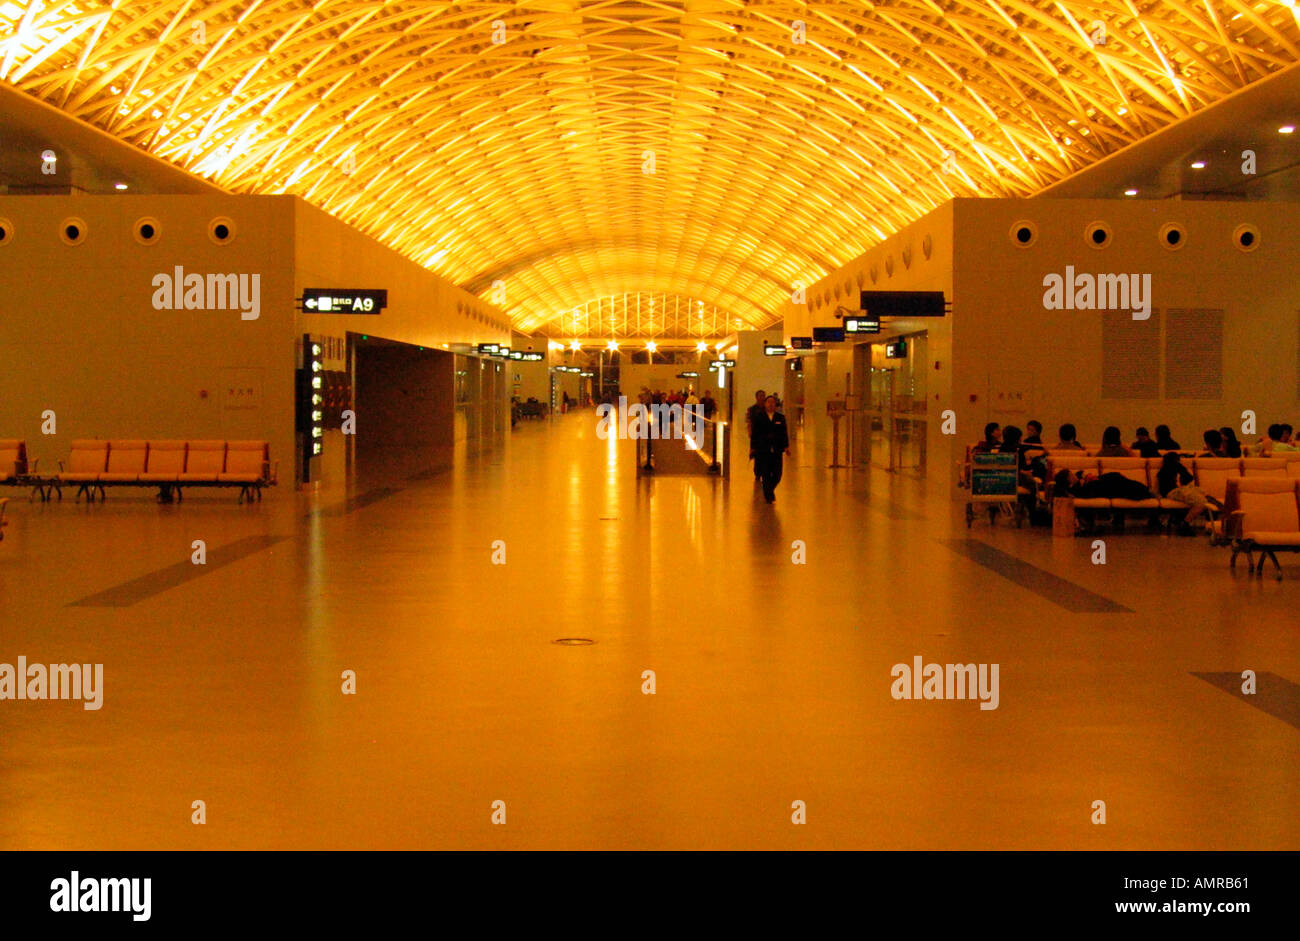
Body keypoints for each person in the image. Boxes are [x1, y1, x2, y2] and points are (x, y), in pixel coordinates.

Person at [1156, 452, 1221, 535]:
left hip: (1175, 491)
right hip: (1176, 491)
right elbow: (1189, 477)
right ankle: (1185, 523)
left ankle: (1210, 515)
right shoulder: (1177, 466)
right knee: (1201, 501)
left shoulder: (1162, 471)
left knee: (1201, 494)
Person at [751, 395, 790, 504]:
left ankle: (769, 490)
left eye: (773, 402)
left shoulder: (780, 417)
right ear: (765, 404)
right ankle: (769, 495)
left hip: (777, 449)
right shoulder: (759, 417)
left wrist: (786, 446)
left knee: (777, 474)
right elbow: (755, 434)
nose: (771, 404)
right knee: (766, 473)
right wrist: (752, 448)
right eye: (769, 402)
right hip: (763, 449)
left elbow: (784, 433)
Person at [746, 390, 767, 480]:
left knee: (766, 454)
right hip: (756, 435)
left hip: (766, 434)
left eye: (763, 396)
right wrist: (750, 431)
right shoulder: (752, 409)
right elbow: (749, 421)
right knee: (757, 454)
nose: (762, 398)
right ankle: (758, 473)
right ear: (756, 397)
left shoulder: (767, 409)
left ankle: (765, 471)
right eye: (760, 396)